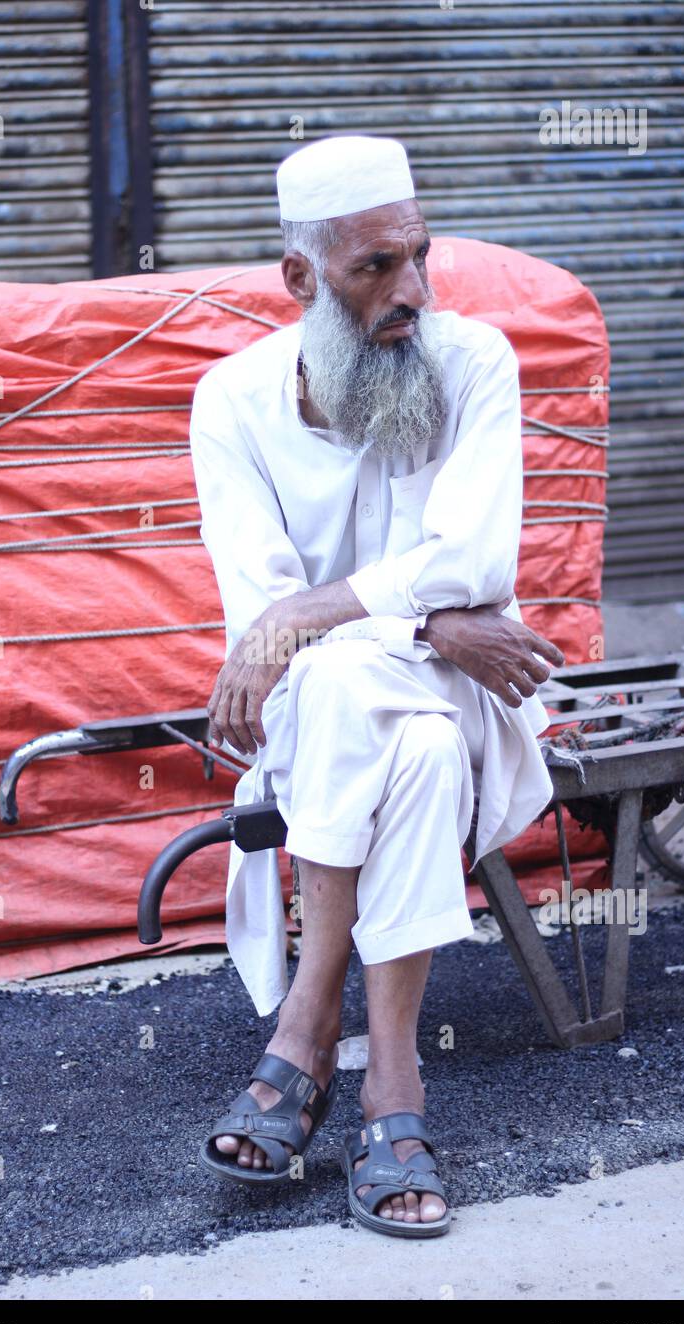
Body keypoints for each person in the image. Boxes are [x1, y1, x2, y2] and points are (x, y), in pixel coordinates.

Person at [188, 134, 564, 1237]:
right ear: (298, 279)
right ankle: (389, 1087)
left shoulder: (474, 361)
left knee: (374, 691)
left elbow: (476, 563)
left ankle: (305, 1030)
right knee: (396, 731)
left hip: (464, 697)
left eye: (418, 257)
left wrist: (318, 609)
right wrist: (418, 619)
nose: (410, 292)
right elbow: (260, 624)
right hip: (337, 714)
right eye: (372, 269)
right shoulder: (232, 402)